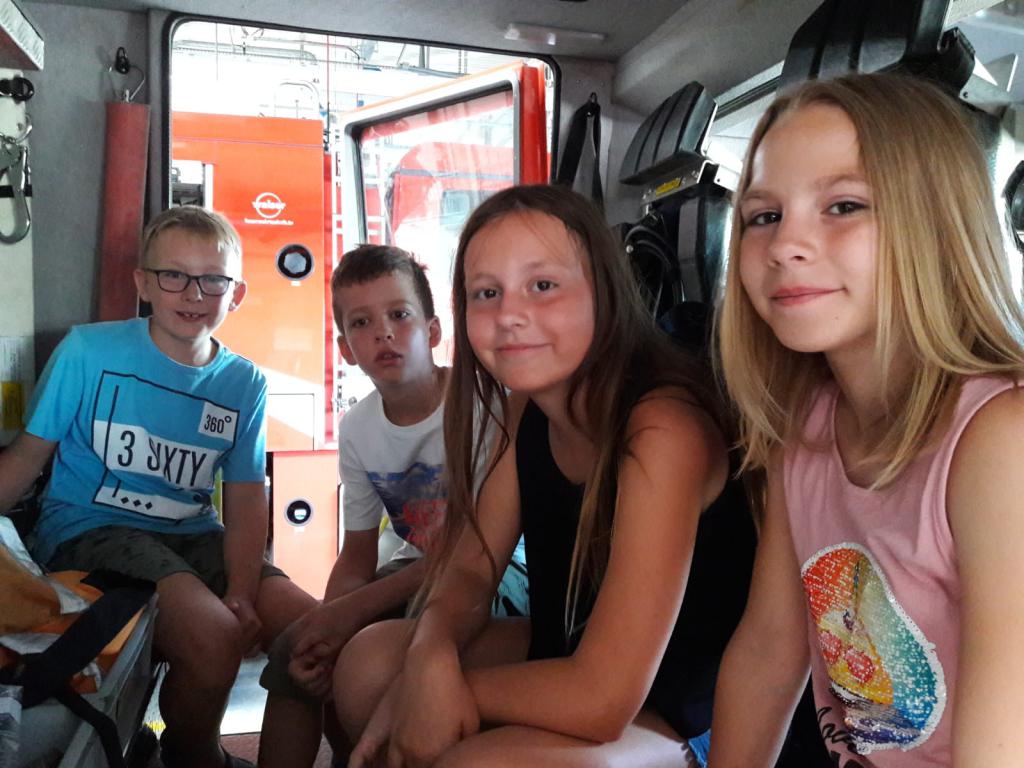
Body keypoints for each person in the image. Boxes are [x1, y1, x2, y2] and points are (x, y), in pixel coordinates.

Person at [332, 184, 757, 767]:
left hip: (677, 710)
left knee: (473, 765)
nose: (510, 315)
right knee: (367, 668)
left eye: (543, 286)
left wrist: (441, 691)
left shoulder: (663, 431)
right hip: (570, 651)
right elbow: (471, 568)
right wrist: (429, 655)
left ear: (603, 292)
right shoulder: (524, 410)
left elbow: (603, 698)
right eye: (487, 293)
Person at [709, 73, 1024, 768]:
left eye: (843, 205)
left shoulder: (1002, 441)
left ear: (936, 228)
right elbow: (766, 657)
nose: (785, 243)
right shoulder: (808, 431)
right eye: (764, 216)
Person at [0, 205, 316, 768]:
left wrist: (243, 591)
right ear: (143, 283)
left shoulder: (243, 382)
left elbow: (246, 498)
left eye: (213, 280)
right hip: (90, 529)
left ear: (236, 294)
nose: (193, 293)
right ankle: (195, 757)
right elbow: (26, 458)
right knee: (215, 637)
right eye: (173, 275)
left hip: (193, 535)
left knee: (316, 636)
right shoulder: (87, 352)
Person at [257, 244, 451, 767]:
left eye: (399, 315)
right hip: (416, 570)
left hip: (500, 570)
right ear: (345, 349)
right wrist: (327, 623)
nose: (383, 333)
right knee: (297, 649)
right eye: (362, 323)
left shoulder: (476, 404)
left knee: (371, 654)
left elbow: (478, 550)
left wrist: (354, 611)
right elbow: (358, 553)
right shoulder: (358, 429)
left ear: (433, 331)